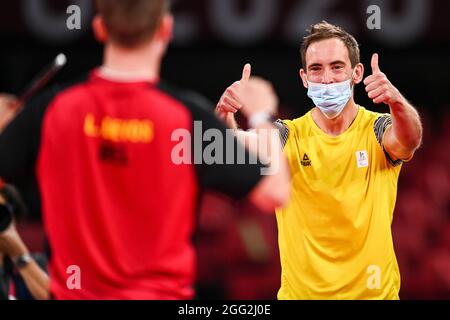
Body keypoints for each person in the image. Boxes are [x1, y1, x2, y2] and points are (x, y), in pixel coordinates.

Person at [0, 0, 290, 299]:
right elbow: (275, 191)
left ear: (100, 28)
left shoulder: (51, 110)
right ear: (165, 29)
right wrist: (260, 115)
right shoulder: (187, 118)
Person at [216, 21, 423, 299]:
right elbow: (229, 153)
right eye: (316, 69)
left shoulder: (378, 130)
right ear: (304, 78)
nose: (326, 79)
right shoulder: (286, 135)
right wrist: (225, 118)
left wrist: (396, 102)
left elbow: (409, 139)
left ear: (357, 72)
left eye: (337, 67)